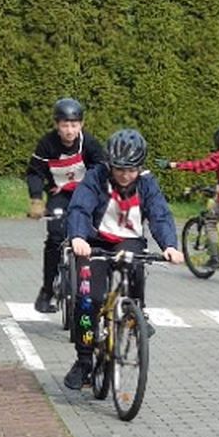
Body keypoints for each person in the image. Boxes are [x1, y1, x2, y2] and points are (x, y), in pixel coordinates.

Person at [63, 128, 185, 390]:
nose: (125, 175)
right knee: (88, 299)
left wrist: (170, 246)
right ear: (110, 164)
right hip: (94, 242)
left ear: (140, 167)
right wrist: (78, 237)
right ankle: (84, 360)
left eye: (131, 170)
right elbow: (80, 207)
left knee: (135, 263)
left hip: (128, 239)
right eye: (119, 169)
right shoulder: (96, 177)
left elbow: (160, 214)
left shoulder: (147, 183)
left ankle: (136, 312)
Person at [26, 97, 105, 315]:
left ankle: (93, 288)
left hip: (85, 196)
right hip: (59, 196)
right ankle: (47, 290)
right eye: (65, 125)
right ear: (57, 125)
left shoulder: (89, 144)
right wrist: (36, 199)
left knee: (94, 238)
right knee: (55, 238)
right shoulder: (47, 144)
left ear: (81, 125)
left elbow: (102, 169)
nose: (69, 131)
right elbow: (34, 173)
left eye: (74, 125)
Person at [164, 125, 219, 270]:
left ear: (218, 142)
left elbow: (200, 166)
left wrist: (176, 165)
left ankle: (215, 259)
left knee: (210, 222)